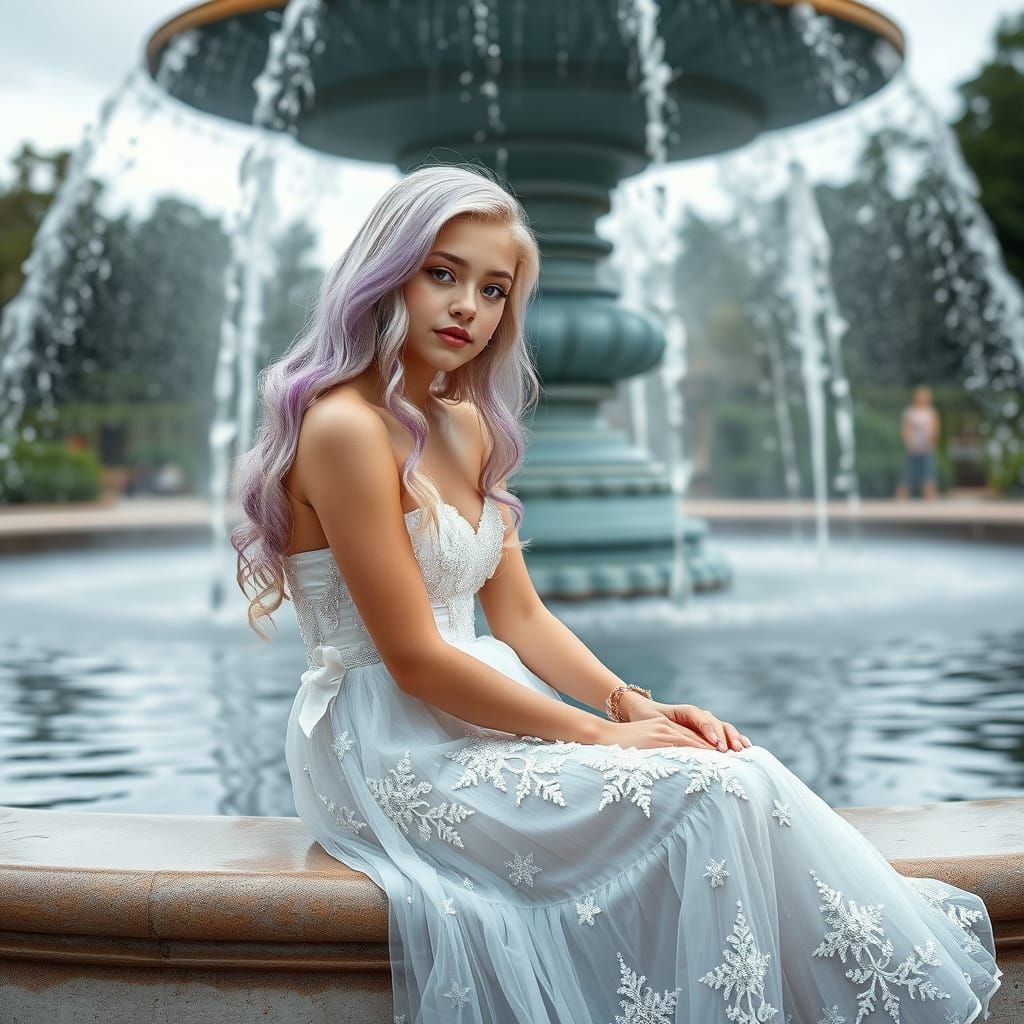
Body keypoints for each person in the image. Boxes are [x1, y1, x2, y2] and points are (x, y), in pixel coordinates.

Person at [231, 165, 1000, 1024]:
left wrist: (634, 704)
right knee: (709, 796)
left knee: (730, 767)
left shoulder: (469, 423)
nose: (467, 309)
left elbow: (519, 615)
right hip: (388, 746)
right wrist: (599, 734)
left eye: (494, 290)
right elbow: (412, 660)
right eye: (442, 273)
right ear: (388, 269)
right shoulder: (343, 426)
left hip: (480, 706)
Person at [896, 386, 941, 501]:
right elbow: (905, 429)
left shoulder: (931, 412)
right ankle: (900, 501)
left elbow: (936, 429)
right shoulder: (910, 411)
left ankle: (930, 501)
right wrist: (908, 443)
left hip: (927, 449)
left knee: (928, 476)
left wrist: (931, 443)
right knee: (907, 476)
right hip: (912, 449)